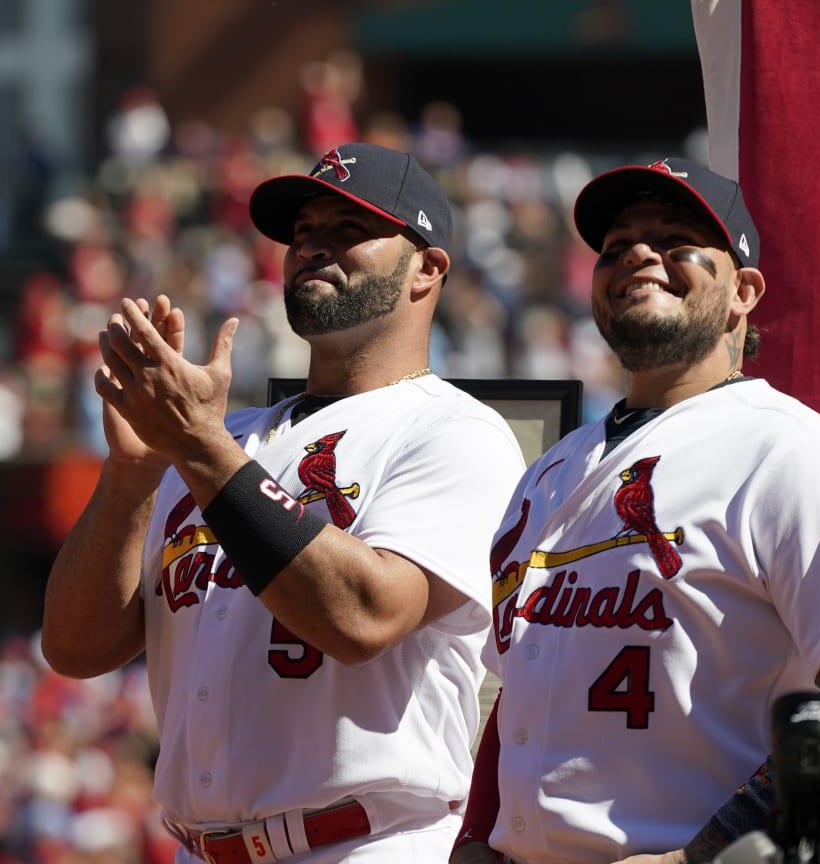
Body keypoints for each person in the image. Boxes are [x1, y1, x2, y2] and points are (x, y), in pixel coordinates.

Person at [42, 142, 527, 863]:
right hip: (197, 848)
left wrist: (201, 450)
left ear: (427, 268)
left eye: (349, 229)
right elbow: (75, 648)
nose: (314, 247)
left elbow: (363, 616)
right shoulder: (219, 439)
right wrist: (132, 475)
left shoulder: (454, 432)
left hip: (370, 842)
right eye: (302, 233)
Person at [449, 158, 820, 864]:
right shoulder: (549, 471)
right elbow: (517, 689)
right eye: (616, 247)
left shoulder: (789, 449)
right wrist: (473, 839)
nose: (639, 254)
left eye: (676, 241)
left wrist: (707, 855)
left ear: (744, 291)